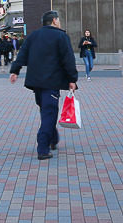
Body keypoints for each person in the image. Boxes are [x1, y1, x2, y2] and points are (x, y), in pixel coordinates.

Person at [9, 10, 78, 160]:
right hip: (51, 83)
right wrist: (72, 79)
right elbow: (68, 59)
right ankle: (43, 148)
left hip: (36, 83)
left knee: (46, 111)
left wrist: (15, 70)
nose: (59, 22)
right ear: (54, 20)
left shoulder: (33, 36)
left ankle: (53, 139)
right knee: (49, 113)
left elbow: (22, 54)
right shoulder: (61, 36)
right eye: (58, 20)